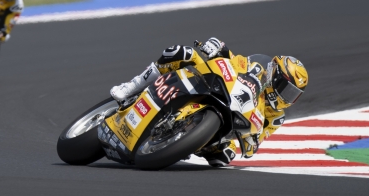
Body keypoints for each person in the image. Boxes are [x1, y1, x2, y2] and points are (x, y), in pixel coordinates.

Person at [110, 38, 309, 167]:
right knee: (179, 52)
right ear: (275, 77)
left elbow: (257, 141)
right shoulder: (255, 66)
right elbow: (231, 57)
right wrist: (217, 46)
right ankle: (132, 86)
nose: (286, 97)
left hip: (229, 124)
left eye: (293, 94)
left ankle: (179, 141)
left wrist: (251, 142)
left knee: (225, 158)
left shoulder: (275, 118)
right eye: (285, 88)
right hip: (214, 82)